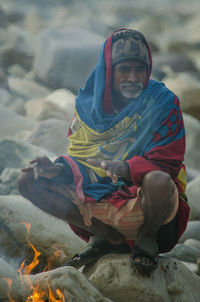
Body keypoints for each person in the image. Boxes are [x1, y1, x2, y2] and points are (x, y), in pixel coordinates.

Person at [18, 28, 190, 274]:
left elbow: (169, 164)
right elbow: (81, 161)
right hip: (99, 210)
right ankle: (107, 237)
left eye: (139, 69)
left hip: (154, 212)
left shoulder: (163, 102)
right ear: (109, 72)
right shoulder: (89, 106)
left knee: (159, 180)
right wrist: (56, 169)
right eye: (124, 69)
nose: (133, 77)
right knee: (28, 180)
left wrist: (126, 168)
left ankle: (146, 241)